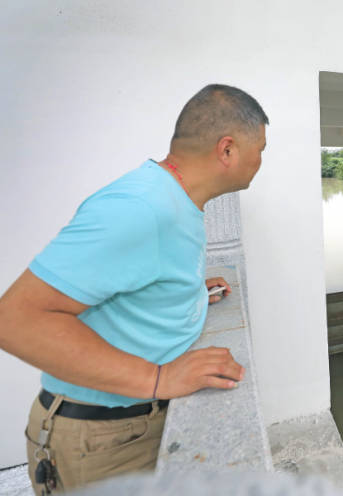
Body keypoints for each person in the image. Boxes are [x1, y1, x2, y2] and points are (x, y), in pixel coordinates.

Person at [0, 84, 268, 494]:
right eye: (261, 149)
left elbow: (133, 280)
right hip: (105, 440)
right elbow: (15, 320)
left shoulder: (178, 201)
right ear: (227, 150)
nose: (262, 160)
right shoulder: (141, 207)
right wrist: (157, 377)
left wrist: (190, 291)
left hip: (129, 428)